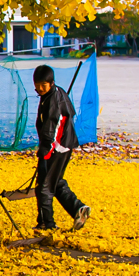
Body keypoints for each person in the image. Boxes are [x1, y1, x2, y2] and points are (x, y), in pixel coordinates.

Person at [33, 64, 90, 231]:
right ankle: (78, 209)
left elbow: (54, 125)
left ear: (51, 83)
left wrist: (46, 149)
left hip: (57, 147)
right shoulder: (52, 94)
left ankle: (47, 224)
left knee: (44, 185)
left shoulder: (53, 99)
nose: (40, 89)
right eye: (37, 85)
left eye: (43, 85)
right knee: (54, 182)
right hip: (61, 145)